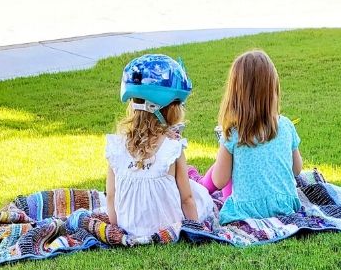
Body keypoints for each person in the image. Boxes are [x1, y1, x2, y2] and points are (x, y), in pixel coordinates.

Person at [105, 54, 214, 238]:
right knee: (200, 194)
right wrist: (196, 230)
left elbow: (110, 196)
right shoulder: (172, 148)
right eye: (178, 104)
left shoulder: (117, 147)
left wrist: (117, 229)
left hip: (128, 227)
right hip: (167, 223)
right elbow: (187, 199)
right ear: (166, 108)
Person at [192, 50, 304, 224]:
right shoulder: (286, 125)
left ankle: (198, 185)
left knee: (226, 167)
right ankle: (199, 183)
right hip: (286, 206)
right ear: (273, 88)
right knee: (232, 163)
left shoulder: (234, 133)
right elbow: (297, 169)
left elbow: (220, 180)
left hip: (246, 211)